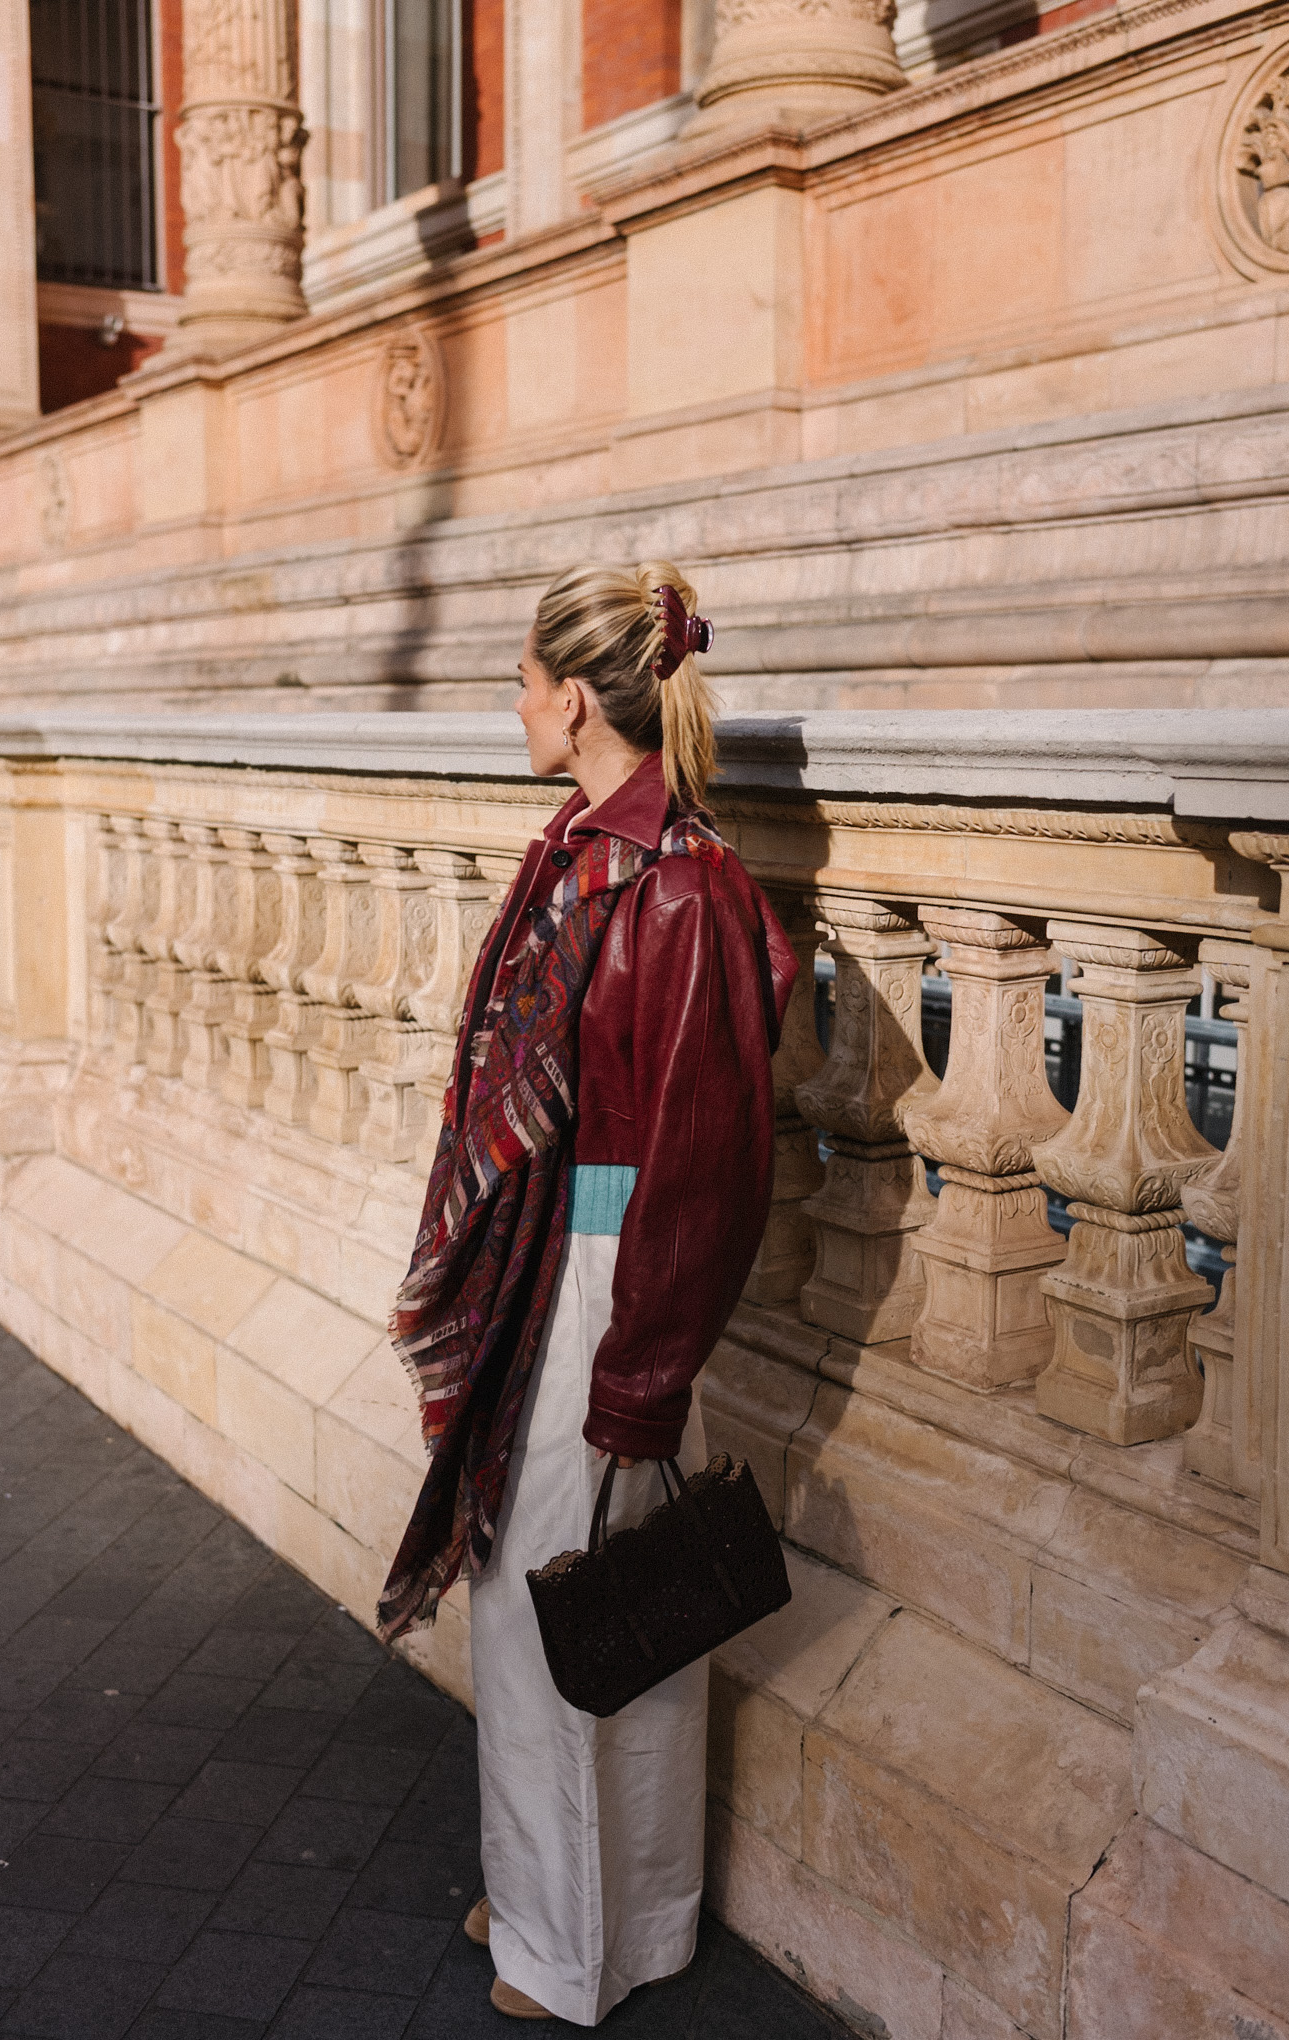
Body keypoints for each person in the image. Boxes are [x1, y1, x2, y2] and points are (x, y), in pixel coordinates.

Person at [377, 561, 796, 2023]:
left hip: (615, 1276)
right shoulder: (581, 851)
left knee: (590, 1606)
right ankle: (553, 1898)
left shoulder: (677, 885)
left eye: (519, 682)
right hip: (571, 1251)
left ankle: (579, 1950)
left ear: (573, 699)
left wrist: (637, 1373)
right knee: (538, 1601)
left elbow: (703, 1162)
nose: (510, 705)